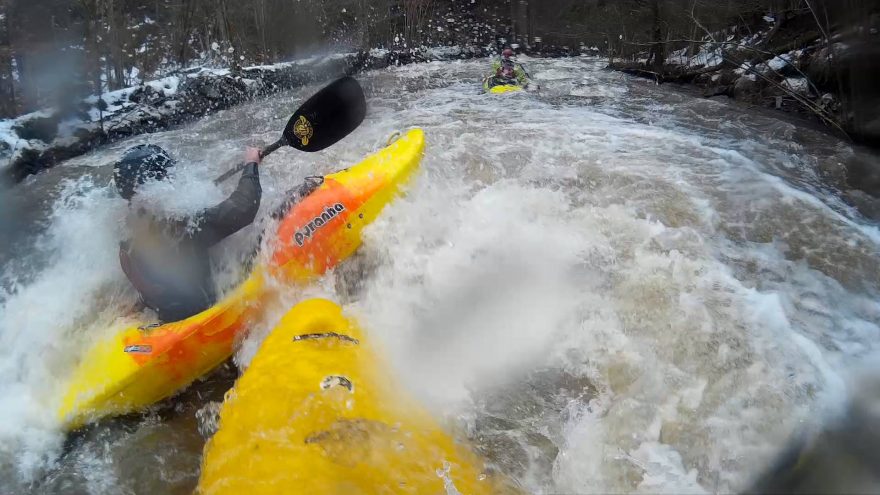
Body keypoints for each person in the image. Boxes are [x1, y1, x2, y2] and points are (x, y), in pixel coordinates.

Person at [113, 144, 262, 322]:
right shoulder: (176, 225)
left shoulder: (127, 232)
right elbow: (244, 208)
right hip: (203, 316)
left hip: (167, 315)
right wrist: (251, 164)